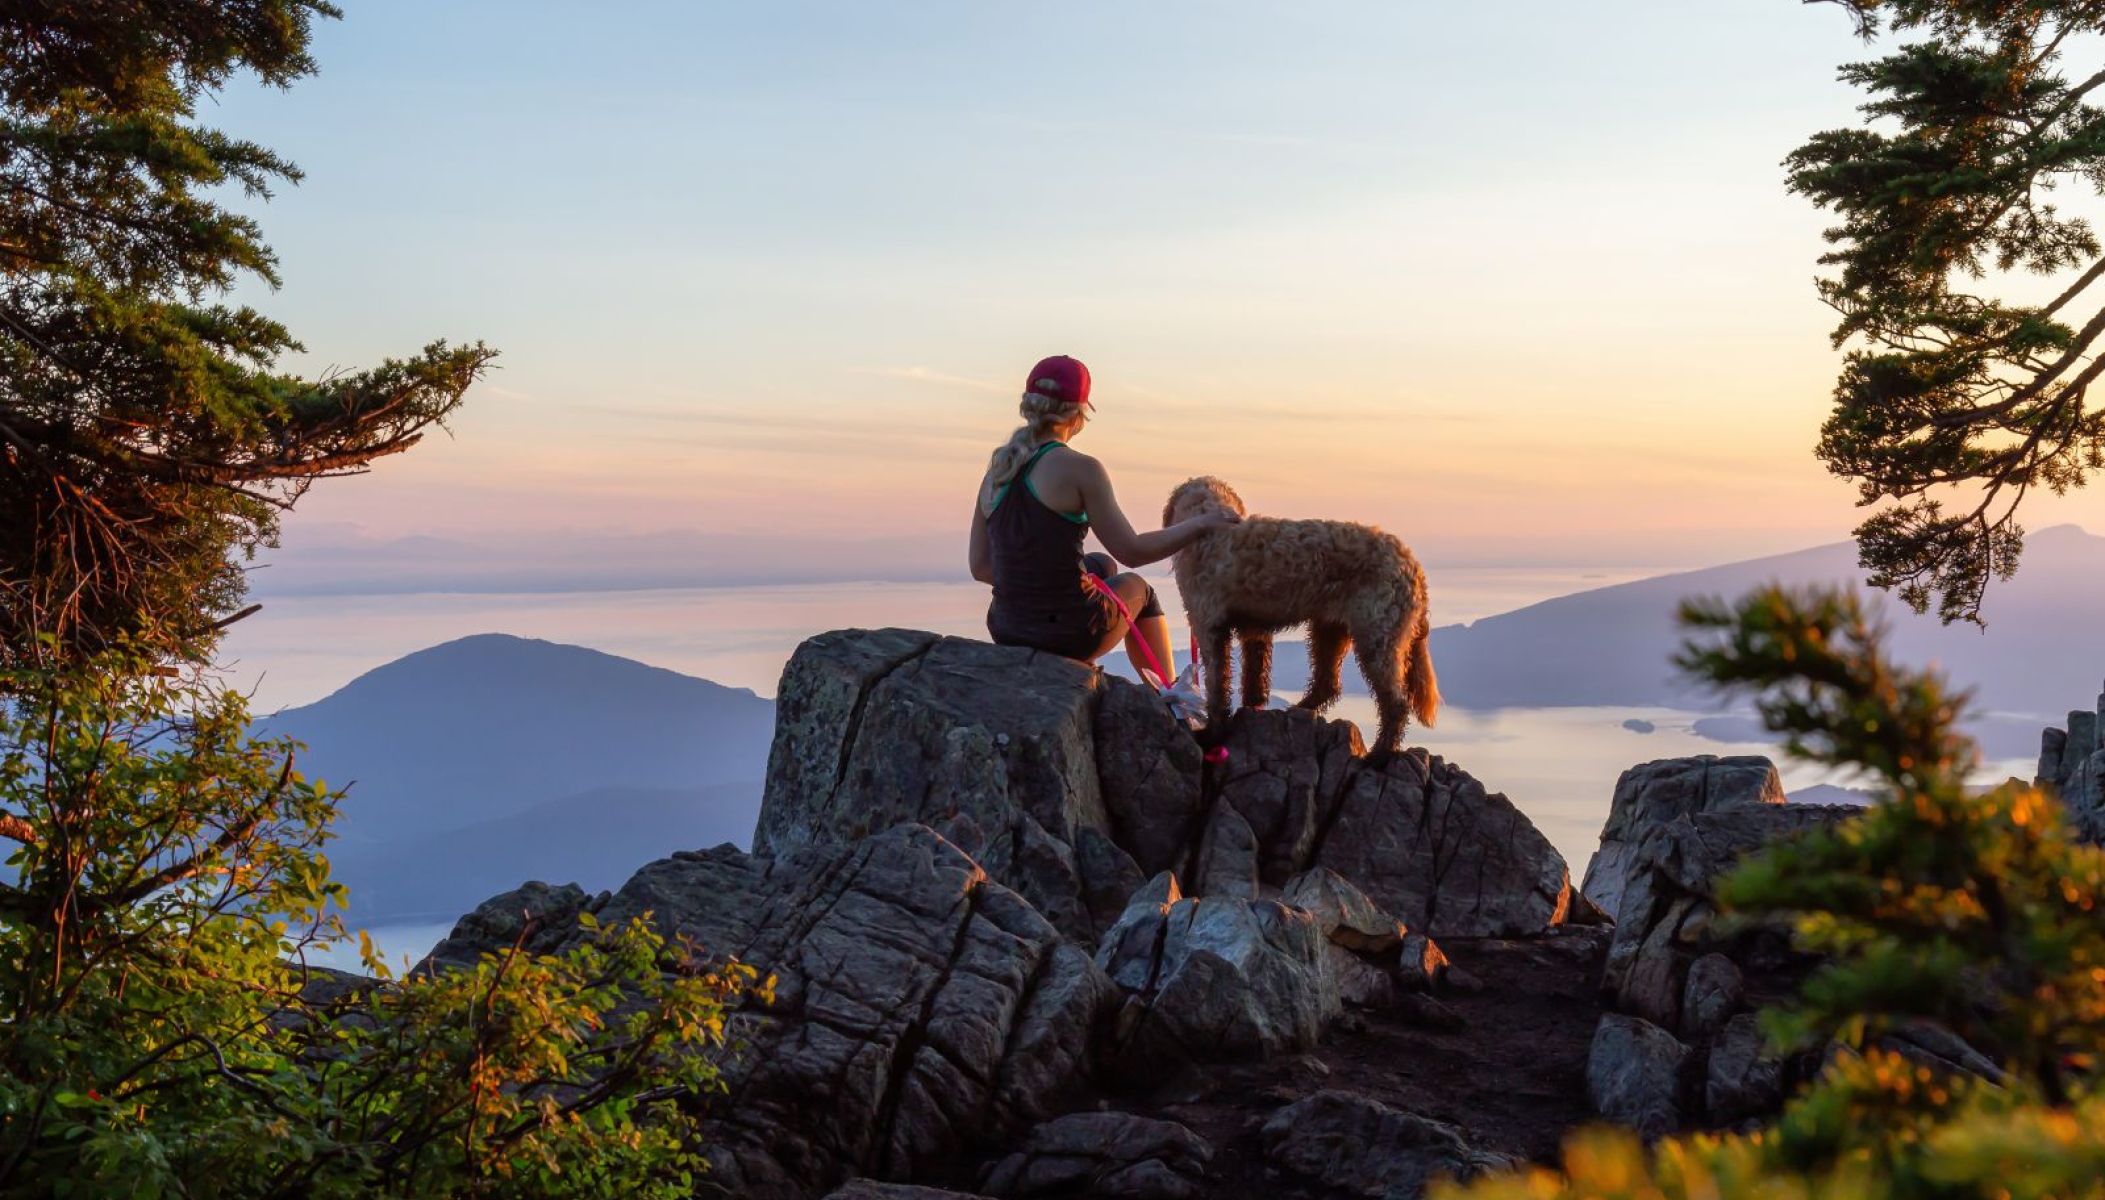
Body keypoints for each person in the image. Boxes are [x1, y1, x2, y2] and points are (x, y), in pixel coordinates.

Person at [969, 354, 1239, 677]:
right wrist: (1200, 524)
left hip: (1007, 627)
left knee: (1101, 565)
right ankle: (1169, 700)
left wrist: (1032, 587)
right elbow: (1132, 551)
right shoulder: (1082, 469)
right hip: (1070, 632)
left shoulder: (997, 471)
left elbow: (981, 566)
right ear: (1079, 413)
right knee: (1140, 589)